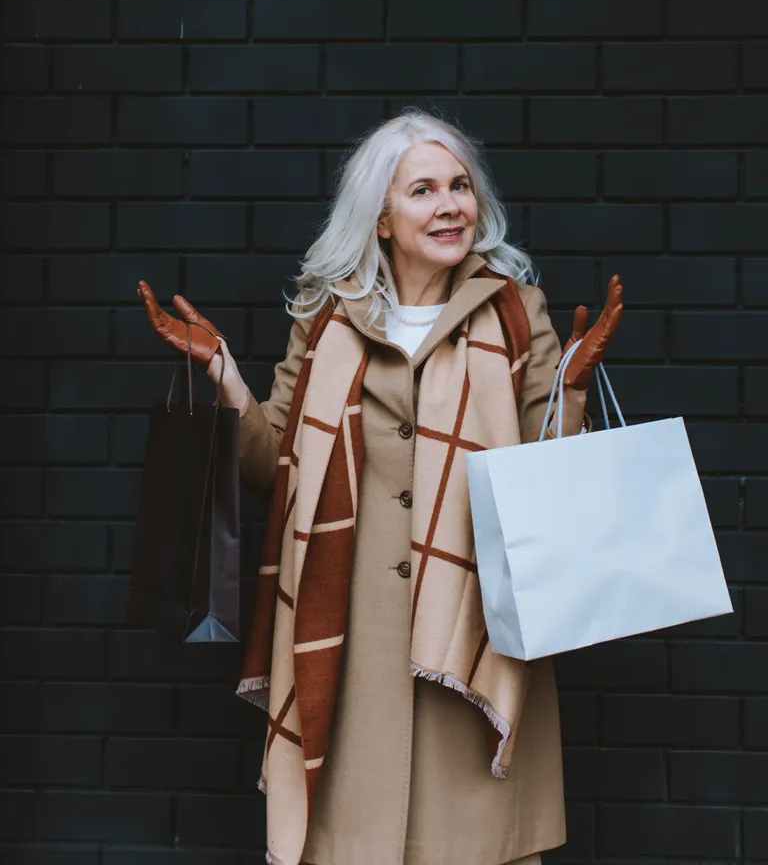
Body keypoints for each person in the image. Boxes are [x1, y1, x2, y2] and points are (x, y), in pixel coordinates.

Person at [138, 109, 623, 865]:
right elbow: (277, 467)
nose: (450, 205)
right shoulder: (326, 316)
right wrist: (224, 374)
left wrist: (573, 389)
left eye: (460, 186)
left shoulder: (515, 311)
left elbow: (546, 478)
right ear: (382, 218)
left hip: (471, 629)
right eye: (423, 190)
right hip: (348, 637)